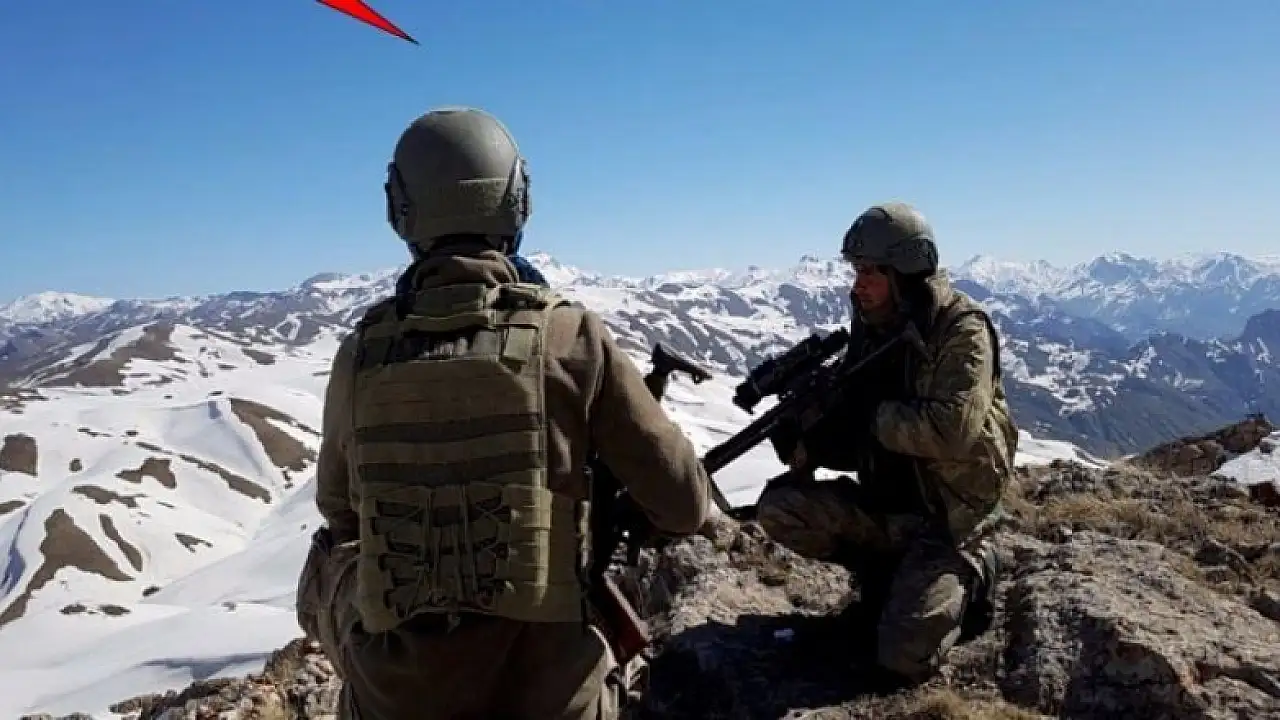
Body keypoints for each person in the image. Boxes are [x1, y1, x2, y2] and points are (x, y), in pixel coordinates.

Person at [295, 106, 711, 720]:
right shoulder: (571, 336)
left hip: (398, 702)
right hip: (556, 701)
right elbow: (685, 506)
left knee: (327, 562)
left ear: (400, 210)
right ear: (516, 202)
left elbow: (340, 511)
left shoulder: (360, 355)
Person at [757, 202, 1016, 692]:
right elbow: (861, 434)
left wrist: (867, 416)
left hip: (948, 521)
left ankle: (976, 572)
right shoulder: (874, 325)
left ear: (907, 271)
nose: (858, 285)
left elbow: (952, 431)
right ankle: (888, 575)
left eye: (871, 272)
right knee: (780, 508)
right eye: (856, 271)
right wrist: (811, 443)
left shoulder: (961, 328)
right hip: (889, 508)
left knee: (902, 658)